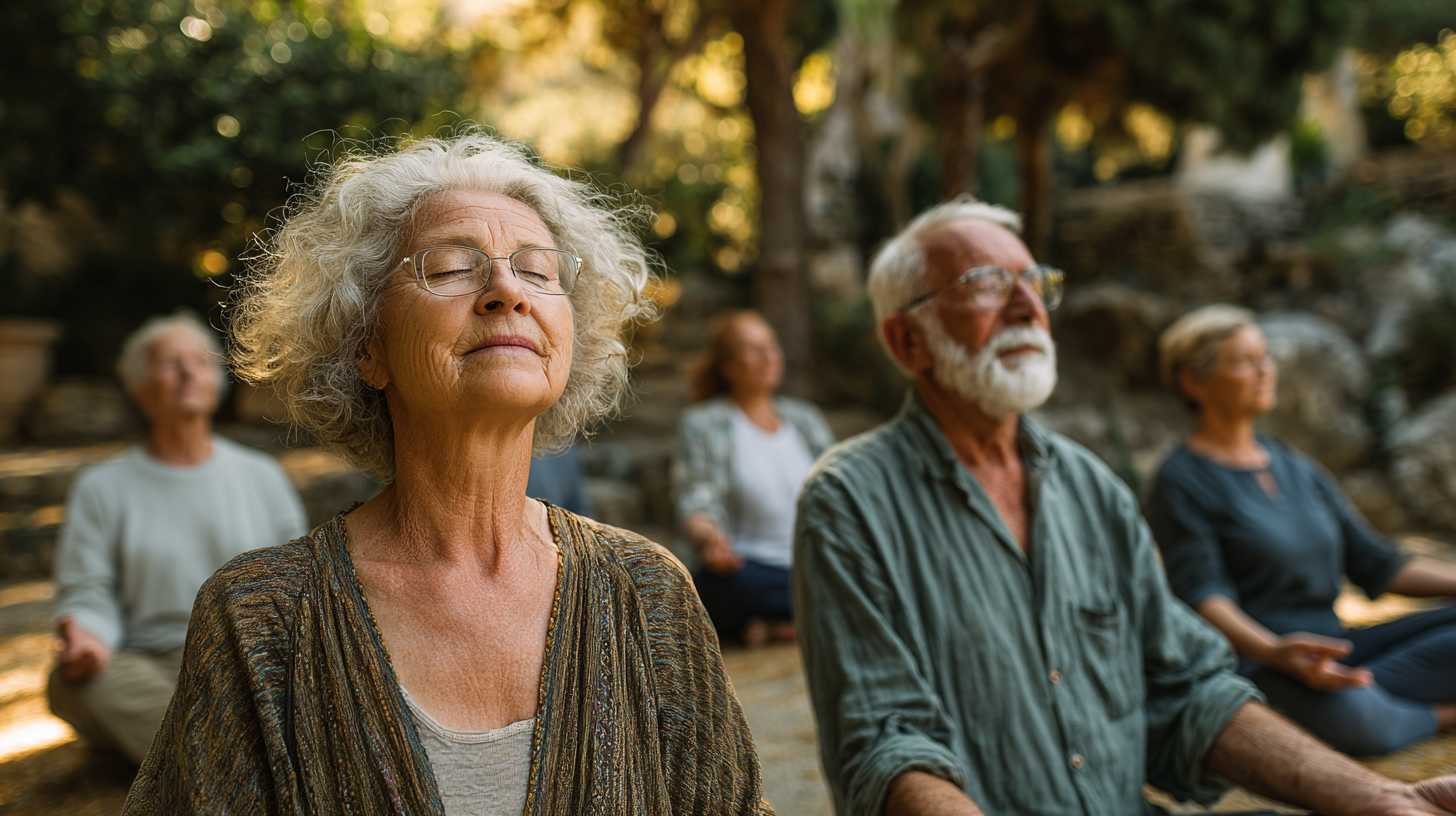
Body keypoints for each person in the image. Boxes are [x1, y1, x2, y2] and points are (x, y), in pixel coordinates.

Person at [125, 133, 772, 816]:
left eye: (537, 271)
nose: (505, 291)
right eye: (452, 267)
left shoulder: (649, 595)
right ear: (365, 344)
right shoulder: (259, 619)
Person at [792, 197, 1456, 816]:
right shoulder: (850, 503)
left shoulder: (1090, 487)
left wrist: (1382, 800)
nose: (1028, 307)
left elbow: (1192, 691)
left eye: (1036, 283)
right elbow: (886, 746)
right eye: (989, 285)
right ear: (908, 341)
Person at [1149, 304, 1456, 756]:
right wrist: (1275, 651)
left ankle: (1374, 700)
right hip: (1261, 663)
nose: (1264, 370)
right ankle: (1437, 713)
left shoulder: (1295, 465)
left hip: (1339, 651)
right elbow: (1202, 594)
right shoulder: (1181, 480)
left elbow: (1377, 564)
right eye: (1245, 361)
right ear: (1194, 382)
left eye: (1265, 357)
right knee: (1361, 723)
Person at [47, 313, 307, 765]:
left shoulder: (262, 476)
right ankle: (242, 764)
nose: (189, 372)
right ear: (140, 388)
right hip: (149, 666)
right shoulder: (102, 486)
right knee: (75, 685)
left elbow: (298, 585)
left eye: (200, 362)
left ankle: (196, 760)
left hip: (248, 663)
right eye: (171, 363)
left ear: (216, 381)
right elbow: (89, 590)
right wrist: (88, 637)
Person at [673, 311, 834, 645]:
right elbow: (696, 499)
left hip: (813, 568)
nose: (768, 356)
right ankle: (815, 618)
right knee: (716, 586)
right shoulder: (704, 424)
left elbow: (840, 493)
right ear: (728, 366)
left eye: (772, 346)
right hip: (750, 570)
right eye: (752, 349)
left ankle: (779, 626)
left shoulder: (806, 419)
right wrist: (710, 539)